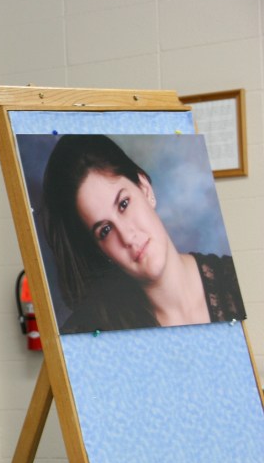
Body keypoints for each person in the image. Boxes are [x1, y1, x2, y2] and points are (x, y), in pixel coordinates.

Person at [41, 134, 245, 334]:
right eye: (105, 230)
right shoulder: (89, 334)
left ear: (145, 189)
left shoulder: (239, 282)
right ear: (100, 249)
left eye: (123, 204)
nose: (128, 238)